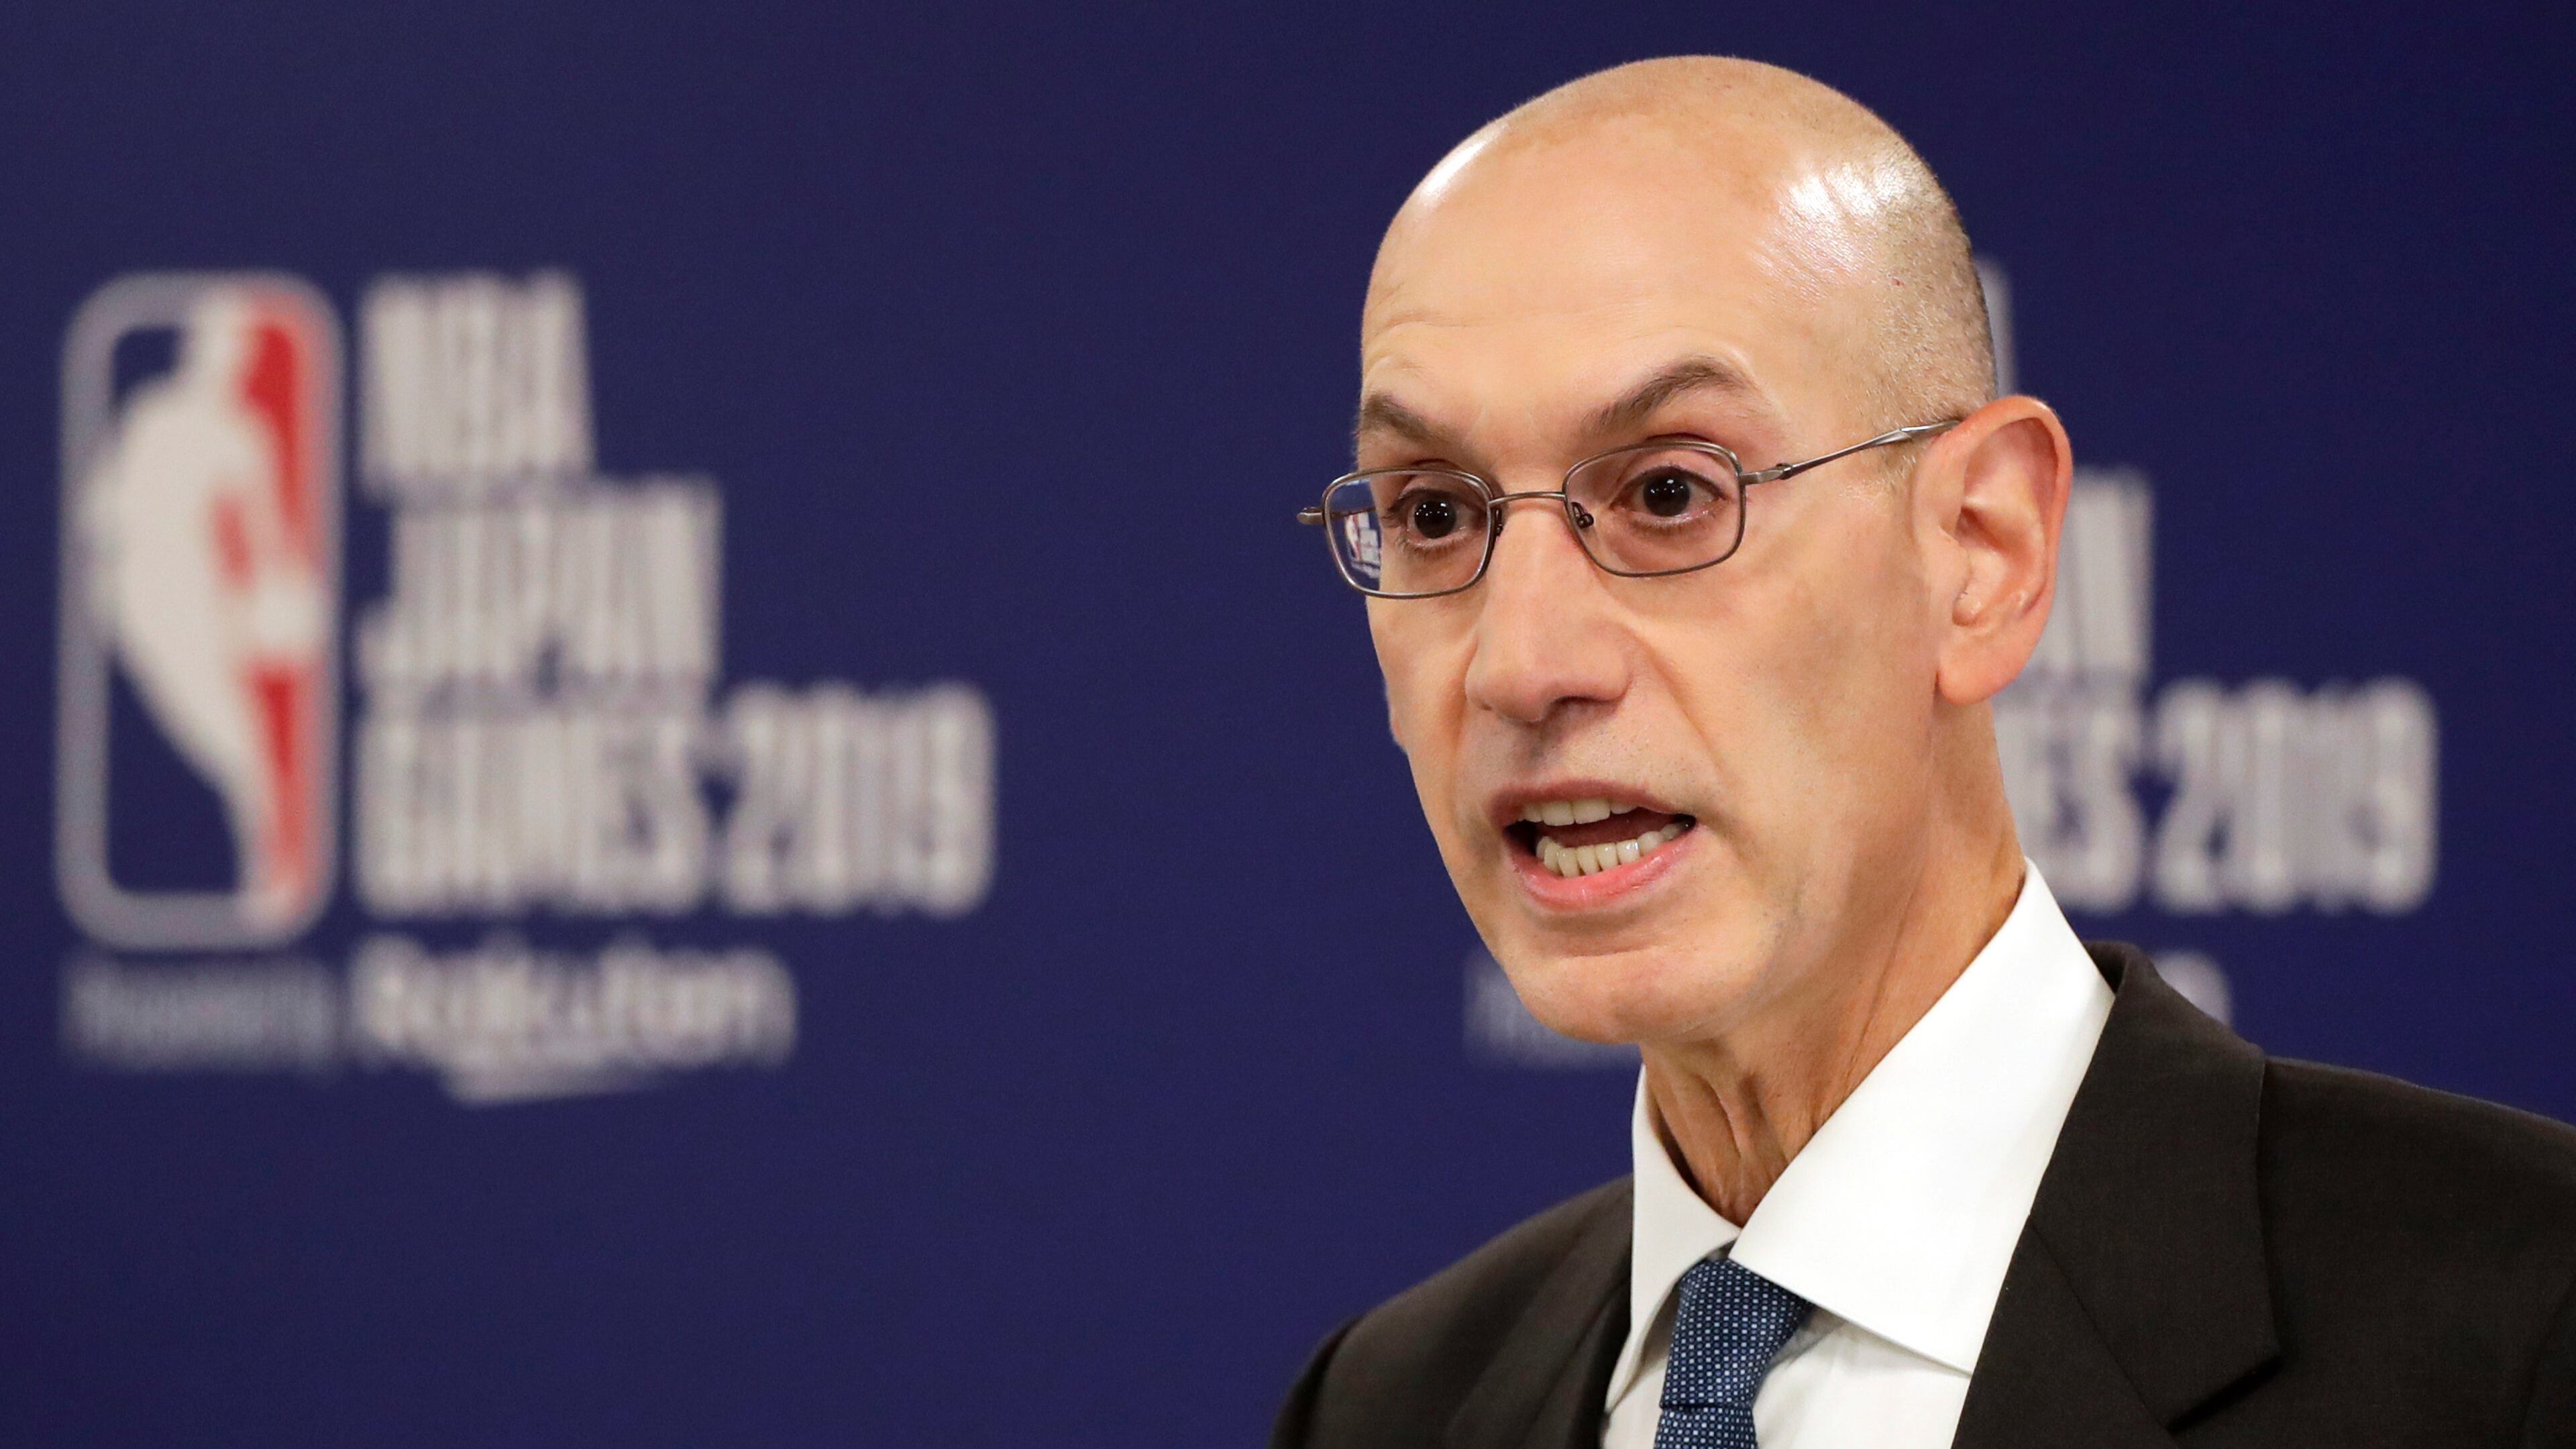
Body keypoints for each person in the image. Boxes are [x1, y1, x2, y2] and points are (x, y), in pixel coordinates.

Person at [1272, 56, 2576, 1449]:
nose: (1523, 663)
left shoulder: (2522, 1332)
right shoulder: (1387, 1404)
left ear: (1981, 553)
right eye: (1430, 517)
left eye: (1667, 493)